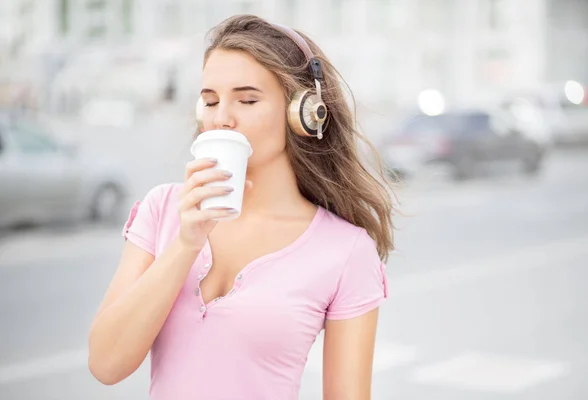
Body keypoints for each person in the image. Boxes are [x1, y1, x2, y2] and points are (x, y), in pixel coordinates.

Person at [88, 14, 397, 400]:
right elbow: (105, 364)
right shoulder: (163, 208)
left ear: (302, 112)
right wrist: (185, 244)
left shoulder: (346, 251)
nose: (222, 118)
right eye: (210, 101)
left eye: (247, 99)